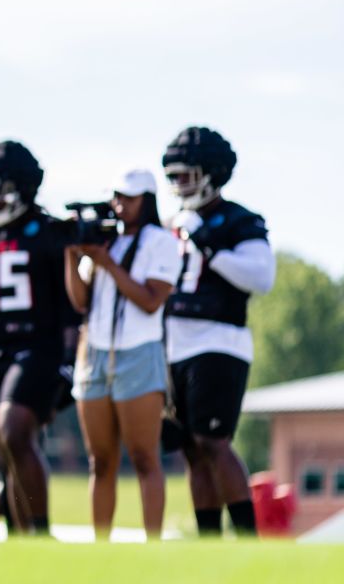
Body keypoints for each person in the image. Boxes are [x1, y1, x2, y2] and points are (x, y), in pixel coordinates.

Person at [0, 141, 80, 536]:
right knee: (4, 447)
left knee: (14, 428)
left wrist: (71, 361)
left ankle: (40, 529)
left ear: (22, 189)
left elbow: (70, 307)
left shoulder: (49, 233)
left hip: (37, 348)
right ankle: (25, 538)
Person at [161, 126, 275, 537]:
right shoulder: (171, 223)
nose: (177, 185)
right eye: (172, 176)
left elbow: (261, 278)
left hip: (218, 340)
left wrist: (210, 244)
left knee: (214, 442)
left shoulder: (238, 221)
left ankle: (246, 536)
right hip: (173, 345)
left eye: (184, 175)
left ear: (210, 173)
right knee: (190, 449)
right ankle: (208, 540)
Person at [63, 169, 182, 540]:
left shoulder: (160, 241)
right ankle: (101, 546)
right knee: (100, 461)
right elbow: (80, 300)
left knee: (145, 457)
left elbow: (150, 301)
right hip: (95, 352)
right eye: (116, 197)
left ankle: (152, 545)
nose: (120, 205)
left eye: (128, 198)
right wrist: (72, 254)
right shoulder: (104, 239)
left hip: (138, 353)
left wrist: (107, 264)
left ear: (146, 200)